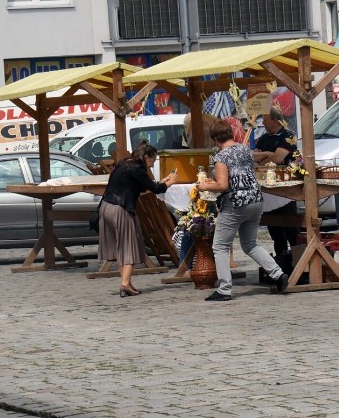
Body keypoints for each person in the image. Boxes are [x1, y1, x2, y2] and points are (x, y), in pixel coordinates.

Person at [197, 120, 289, 301]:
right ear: (230, 134)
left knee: (220, 246)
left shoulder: (221, 157)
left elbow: (223, 185)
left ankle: (224, 289)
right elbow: (254, 162)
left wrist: (204, 186)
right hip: (255, 200)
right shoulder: (244, 149)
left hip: (235, 204)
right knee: (250, 244)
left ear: (215, 139)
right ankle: (278, 274)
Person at [99, 141, 178, 297]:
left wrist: (164, 180)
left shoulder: (124, 164)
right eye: (152, 161)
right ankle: (125, 284)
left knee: (119, 246)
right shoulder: (138, 169)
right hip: (120, 209)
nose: (151, 165)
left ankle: (126, 282)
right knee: (128, 245)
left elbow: (146, 186)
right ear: (146, 157)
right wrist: (171, 182)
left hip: (106, 207)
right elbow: (155, 189)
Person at [251, 108, 300, 258]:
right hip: (267, 187)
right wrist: (267, 155)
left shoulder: (288, 136)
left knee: (291, 227)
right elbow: (253, 156)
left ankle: (298, 260)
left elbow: (278, 158)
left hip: (286, 187)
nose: (263, 122)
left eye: (265, 118)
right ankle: (281, 260)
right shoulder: (265, 138)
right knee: (274, 228)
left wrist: (264, 159)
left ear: (274, 120)